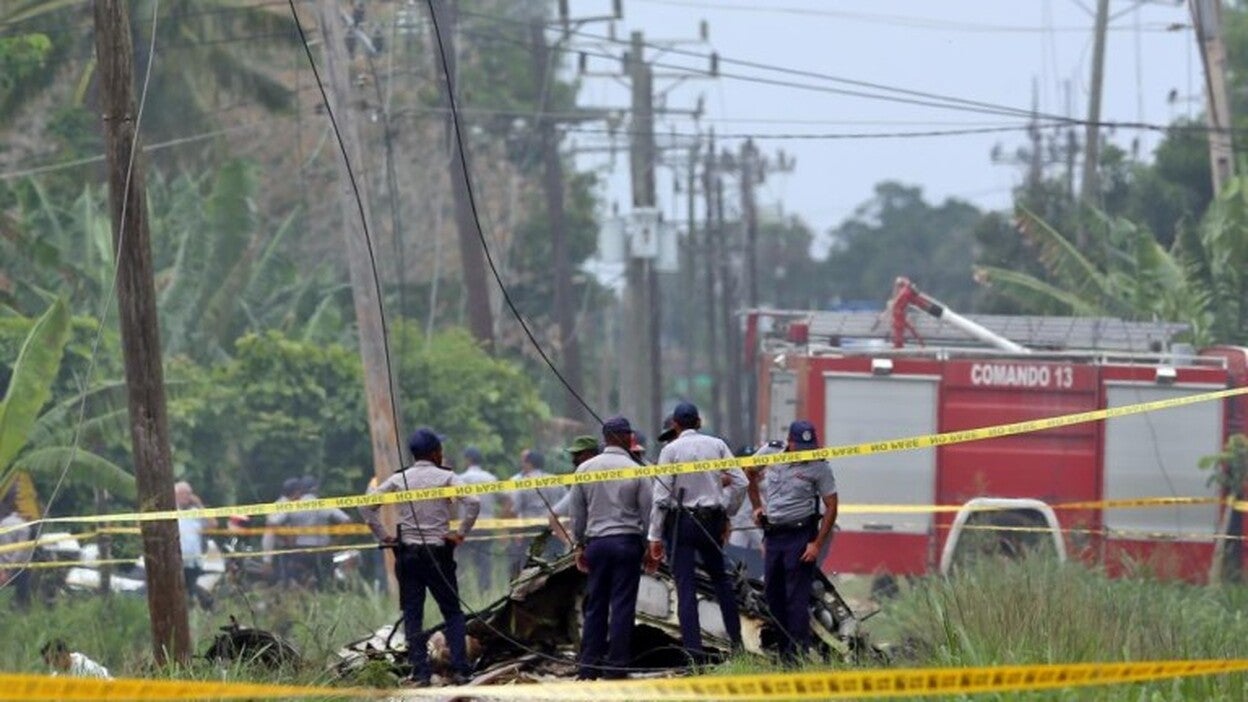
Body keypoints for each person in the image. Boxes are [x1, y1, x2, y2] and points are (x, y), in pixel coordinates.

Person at [360, 428, 480, 687]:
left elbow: (366, 506)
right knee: (453, 612)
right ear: (436, 452)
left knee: (413, 614)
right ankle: (461, 669)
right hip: (438, 553)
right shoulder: (447, 476)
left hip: (408, 556)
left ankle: (421, 673)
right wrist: (459, 534)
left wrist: (384, 536)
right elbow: (473, 503)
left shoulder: (399, 479)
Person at [647, 402, 748, 656]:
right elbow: (742, 482)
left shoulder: (670, 450)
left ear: (675, 425)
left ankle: (694, 652)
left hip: (681, 524)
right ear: (699, 422)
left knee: (686, 588)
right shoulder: (717, 445)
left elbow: (661, 498)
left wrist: (654, 536)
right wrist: (727, 511)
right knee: (722, 583)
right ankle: (737, 645)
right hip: (711, 522)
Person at [569, 417, 654, 680]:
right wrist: (651, 545)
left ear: (605, 438)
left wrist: (579, 544)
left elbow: (577, 514)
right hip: (627, 544)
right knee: (622, 605)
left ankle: (589, 665)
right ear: (629, 438)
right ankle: (616, 667)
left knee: (595, 604)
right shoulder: (636, 470)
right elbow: (648, 512)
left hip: (597, 544)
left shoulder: (585, 469)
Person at [748, 420, 839, 663]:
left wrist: (817, 543)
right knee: (773, 595)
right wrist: (757, 507)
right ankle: (784, 649)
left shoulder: (819, 466)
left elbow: (831, 505)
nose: (804, 452)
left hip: (801, 537)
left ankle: (797, 656)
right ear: (789, 442)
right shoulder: (770, 452)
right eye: (800, 446)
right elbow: (749, 473)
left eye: (809, 447)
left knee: (796, 599)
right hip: (774, 535)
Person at [501, 449, 565, 575]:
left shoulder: (523, 483)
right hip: (554, 530)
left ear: (529, 463)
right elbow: (567, 505)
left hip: (530, 532)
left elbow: (514, 509)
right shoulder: (555, 481)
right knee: (555, 565)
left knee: (530, 567)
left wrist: (514, 532)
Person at [728, 441, 785, 550]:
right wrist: (761, 543)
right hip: (744, 537)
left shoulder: (768, 480)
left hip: (765, 532)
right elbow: (743, 518)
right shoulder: (743, 486)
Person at [457, 447, 498, 593]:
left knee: (461, 561)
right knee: (484, 561)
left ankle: (463, 591)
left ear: (468, 460)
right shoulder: (491, 478)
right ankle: (485, 591)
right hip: (486, 527)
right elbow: (506, 500)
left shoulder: (460, 479)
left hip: (466, 527)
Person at [549, 436, 601, 547]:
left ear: (589, 455)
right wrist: (571, 542)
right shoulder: (579, 484)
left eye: (577, 455)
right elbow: (553, 517)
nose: (574, 459)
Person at [175, 481, 215, 608]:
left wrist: (199, 505)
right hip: (176, 561)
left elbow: (213, 525)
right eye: (183, 494)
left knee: (196, 592)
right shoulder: (170, 512)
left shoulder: (196, 512)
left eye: (189, 494)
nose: (187, 497)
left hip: (194, 562)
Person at [263, 478, 303, 584]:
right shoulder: (286, 506)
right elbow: (273, 524)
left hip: (275, 548)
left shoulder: (279, 503)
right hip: (280, 548)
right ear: (296, 492)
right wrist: (287, 538)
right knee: (286, 579)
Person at [0, 490, 34, 609]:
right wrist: (10, 566)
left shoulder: (3, 523)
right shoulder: (24, 526)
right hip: (18, 566)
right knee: (22, 592)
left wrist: (3, 567)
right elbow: (21, 549)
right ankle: (21, 610)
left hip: (3, 565)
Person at [41, 639, 111, 679]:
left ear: (65, 654)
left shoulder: (85, 669)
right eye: (48, 661)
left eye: (56, 658)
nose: (53, 663)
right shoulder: (57, 675)